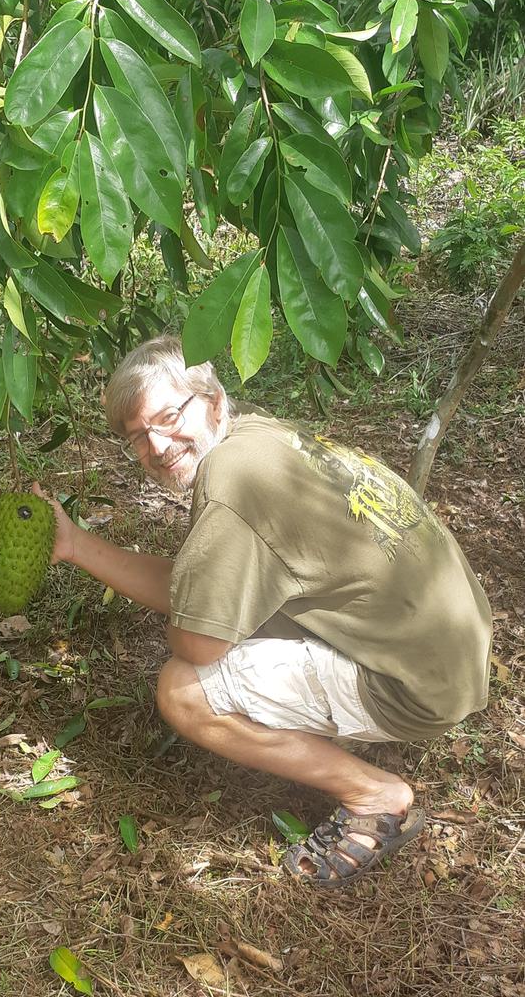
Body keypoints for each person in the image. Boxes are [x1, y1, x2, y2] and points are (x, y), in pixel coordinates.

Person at [34, 336, 492, 888]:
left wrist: (192, 618)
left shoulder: (232, 485)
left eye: (168, 416)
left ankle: (375, 795)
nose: (156, 445)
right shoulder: (260, 436)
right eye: (137, 437)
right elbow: (201, 588)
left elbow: (198, 643)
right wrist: (77, 546)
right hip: (452, 650)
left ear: (213, 400)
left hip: (414, 687)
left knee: (183, 689)